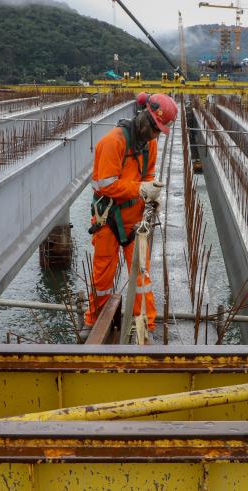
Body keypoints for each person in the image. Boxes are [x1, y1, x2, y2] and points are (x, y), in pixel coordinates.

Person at [83, 93, 179, 339]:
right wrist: (138, 189)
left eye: (159, 131)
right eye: (155, 129)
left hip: (134, 221)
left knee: (141, 275)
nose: (155, 135)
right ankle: (95, 320)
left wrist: (151, 193)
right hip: (108, 219)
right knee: (103, 274)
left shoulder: (151, 144)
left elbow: (147, 175)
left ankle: (144, 324)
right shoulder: (113, 142)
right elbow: (106, 185)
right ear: (144, 116)